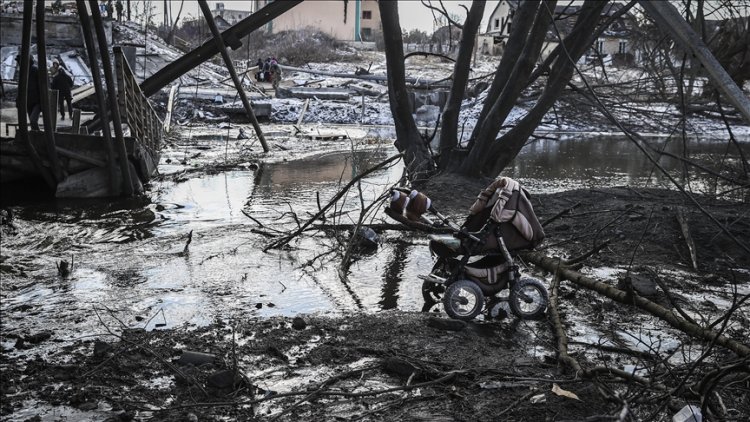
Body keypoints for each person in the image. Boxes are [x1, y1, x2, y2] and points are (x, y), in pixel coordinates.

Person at [15, 55, 41, 131]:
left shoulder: (35, 70)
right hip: (28, 102)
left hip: (37, 102)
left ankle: (40, 138)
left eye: (20, 62)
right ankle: (36, 139)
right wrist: (18, 100)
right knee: (32, 123)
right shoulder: (22, 72)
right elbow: (20, 88)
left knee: (33, 121)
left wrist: (42, 101)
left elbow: (42, 86)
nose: (19, 64)